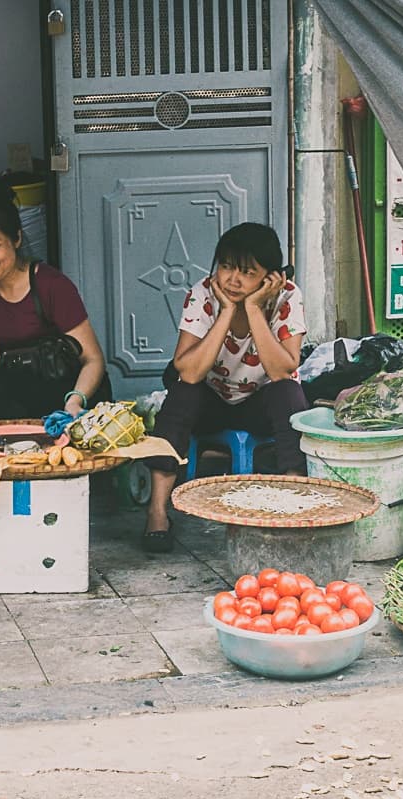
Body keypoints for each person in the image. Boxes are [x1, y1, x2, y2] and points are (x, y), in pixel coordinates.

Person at [141, 222, 310, 552]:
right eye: (227, 267)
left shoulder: (288, 296)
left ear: (270, 277)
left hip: (260, 404)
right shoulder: (204, 293)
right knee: (182, 393)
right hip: (212, 402)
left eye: (248, 272)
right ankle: (157, 511)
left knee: (289, 393)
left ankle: (293, 500)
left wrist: (253, 309)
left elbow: (281, 370)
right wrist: (228, 312)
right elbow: (188, 371)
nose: (233, 279)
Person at [0, 186, 111, 421]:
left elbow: (94, 359)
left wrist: (75, 402)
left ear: (16, 239)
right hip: (18, 391)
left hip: (67, 391)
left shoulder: (51, 284)